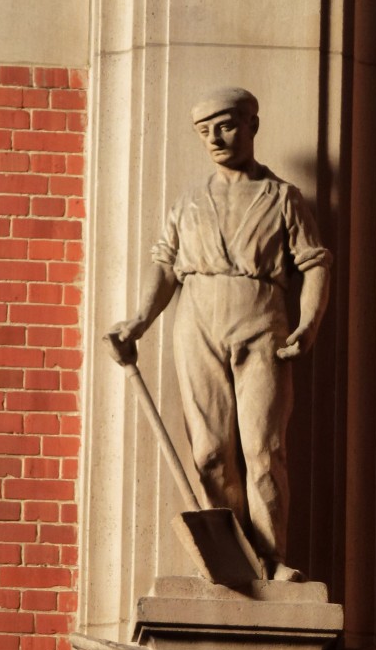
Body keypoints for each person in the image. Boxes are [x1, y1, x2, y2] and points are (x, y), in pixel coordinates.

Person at [107, 87, 332, 581]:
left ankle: (271, 560)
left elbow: (315, 264)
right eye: (204, 130)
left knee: (263, 450)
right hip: (198, 321)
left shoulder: (282, 197)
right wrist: (138, 320)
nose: (215, 137)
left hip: (261, 319)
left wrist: (308, 324)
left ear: (252, 124)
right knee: (210, 454)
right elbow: (164, 265)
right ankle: (234, 561)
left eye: (226, 125)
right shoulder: (189, 200)